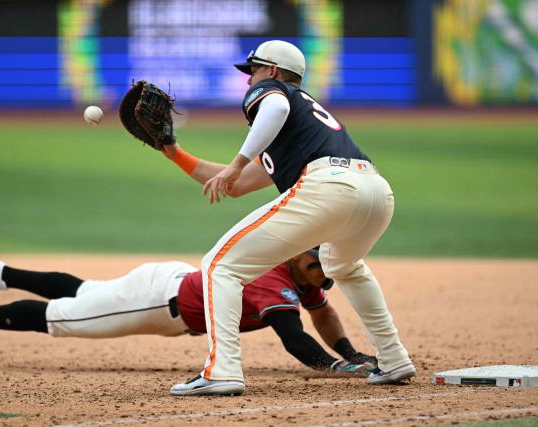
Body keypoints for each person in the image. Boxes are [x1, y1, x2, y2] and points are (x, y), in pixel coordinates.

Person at [165, 40, 415, 396]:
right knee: (344, 265)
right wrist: (172, 152)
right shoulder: (302, 123)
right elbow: (235, 185)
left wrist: (235, 162)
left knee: (221, 266)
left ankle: (222, 371)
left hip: (330, 186)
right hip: (375, 190)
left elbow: (275, 107)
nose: (249, 80)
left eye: (253, 71)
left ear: (272, 70)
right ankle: (394, 359)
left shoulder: (275, 91)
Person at [0, 251, 376, 383]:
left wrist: (350, 353)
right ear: (301, 256)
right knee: (68, 317)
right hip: (161, 302)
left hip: (170, 287)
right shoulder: (271, 277)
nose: (321, 276)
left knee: (88, 293)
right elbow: (294, 337)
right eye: (317, 265)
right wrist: (338, 367)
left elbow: (324, 314)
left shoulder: (304, 271)